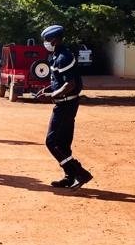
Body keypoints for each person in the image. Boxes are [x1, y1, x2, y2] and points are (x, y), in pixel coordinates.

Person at [36, 25, 93, 189]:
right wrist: (47, 89)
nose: (45, 43)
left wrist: (51, 95)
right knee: (62, 143)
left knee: (51, 141)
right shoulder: (56, 56)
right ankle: (70, 176)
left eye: (46, 40)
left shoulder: (64, 57)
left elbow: (70, 84)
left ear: (53, 40)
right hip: (64, 103)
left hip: (66, 104)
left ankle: (80, 172)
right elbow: (58, 82)